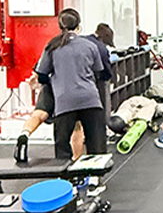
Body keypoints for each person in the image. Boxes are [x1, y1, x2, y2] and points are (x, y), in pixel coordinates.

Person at [34, 8, 108, 160]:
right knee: (97, 147)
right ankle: (95, 173)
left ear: (60, 26)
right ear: (79, 26)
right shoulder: (90, 46)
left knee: (62, 147)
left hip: (64, 101)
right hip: (90, 100)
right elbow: (99, 73)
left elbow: (42, 75)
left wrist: (56, 82)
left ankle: (65, 173)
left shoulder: (52, 46)